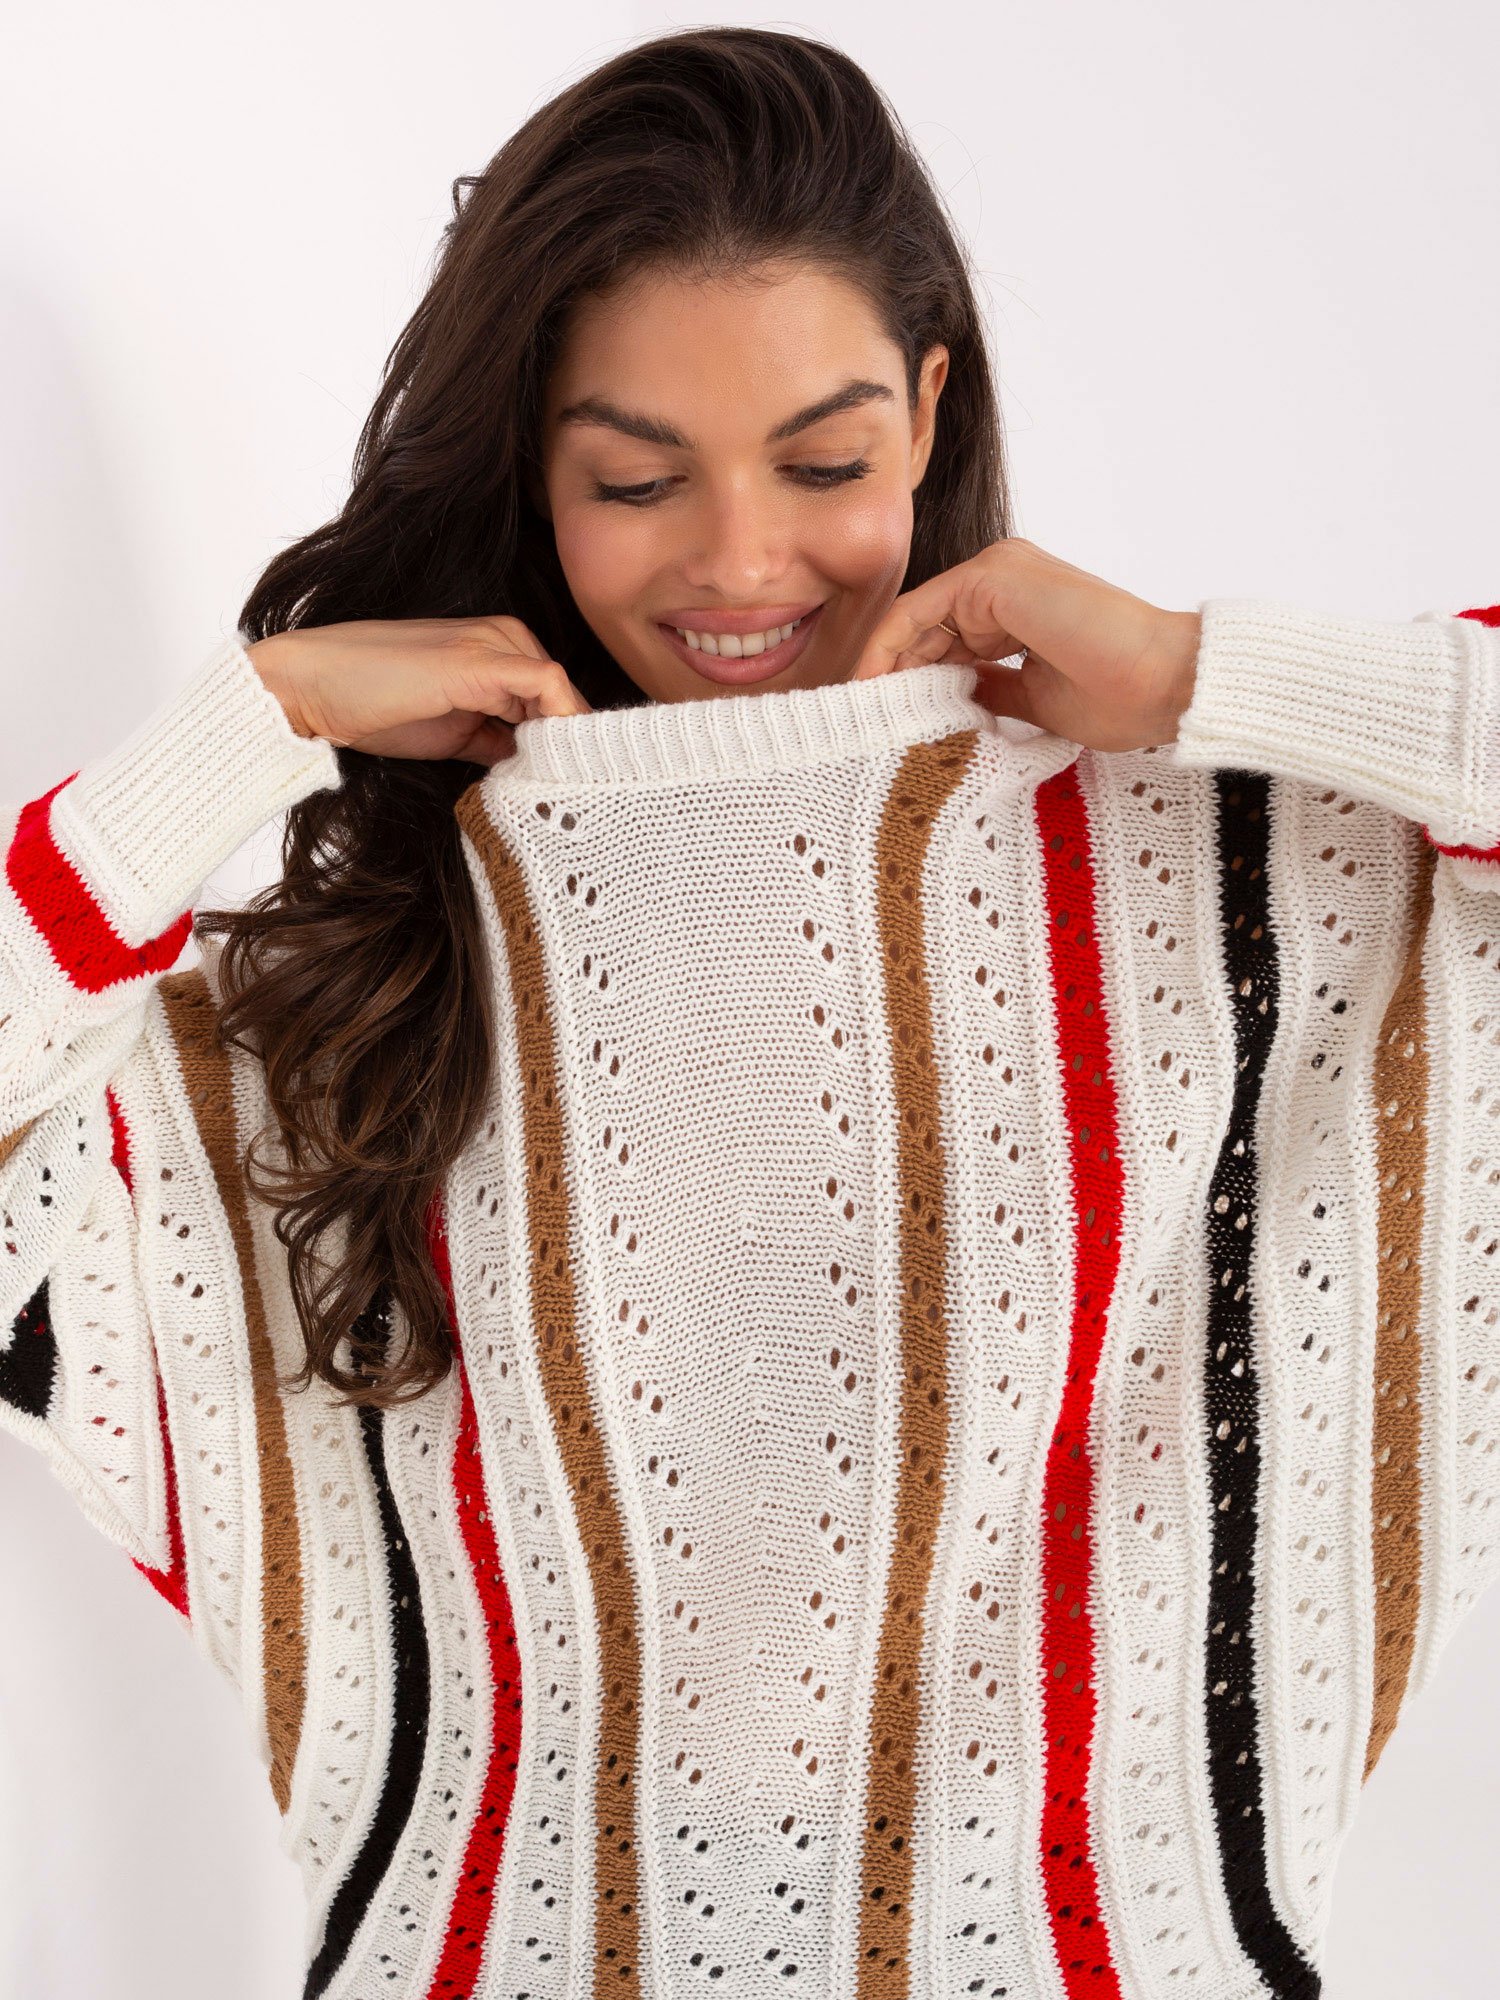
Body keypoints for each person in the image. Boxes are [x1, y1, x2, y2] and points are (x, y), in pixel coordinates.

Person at [2, 24, 1495, 2000]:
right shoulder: (368, 989)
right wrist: (244, 728)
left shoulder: (1242, 887)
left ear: (930, 407)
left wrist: (1206, 673)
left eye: (823, 462)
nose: (739, 561)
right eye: (636, 478)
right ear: (532, 465)